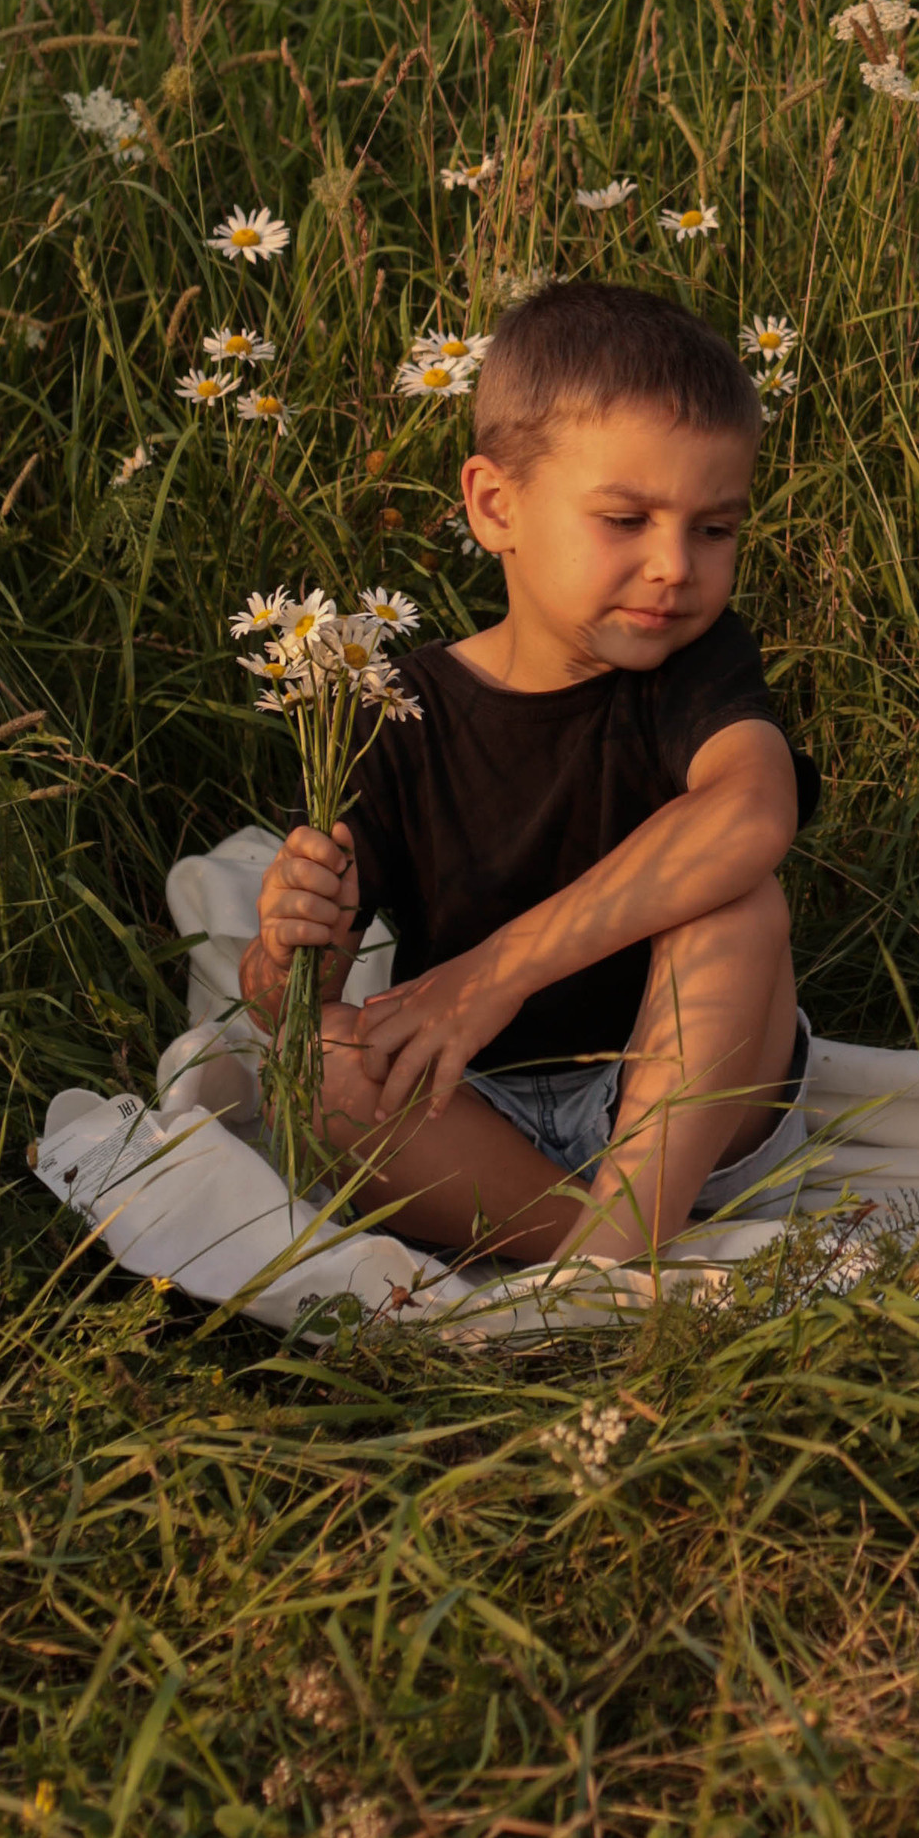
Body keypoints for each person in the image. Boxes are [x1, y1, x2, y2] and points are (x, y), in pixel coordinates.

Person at [240, 282, 815, 1268]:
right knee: (314, 1066)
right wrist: (291, 943)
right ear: (496, 505)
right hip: (481, 1104)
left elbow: (756, 811)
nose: (675, 565)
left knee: (739, 904)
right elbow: (297, 991)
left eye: (714, 527)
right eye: (627, 518)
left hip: (694, 1111)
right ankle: (603, 1260)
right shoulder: (396, 711)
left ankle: (620, 1238)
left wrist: (496, 971)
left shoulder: (696, 666)